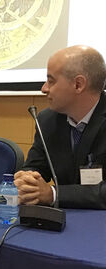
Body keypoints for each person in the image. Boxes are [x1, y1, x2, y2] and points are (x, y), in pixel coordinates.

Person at [14, 45, 106, 209]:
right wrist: (26, 180)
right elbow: (36, 168)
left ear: (78, 84)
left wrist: (53, 194)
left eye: (51, 81)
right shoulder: (47, 120)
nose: (44, 89)